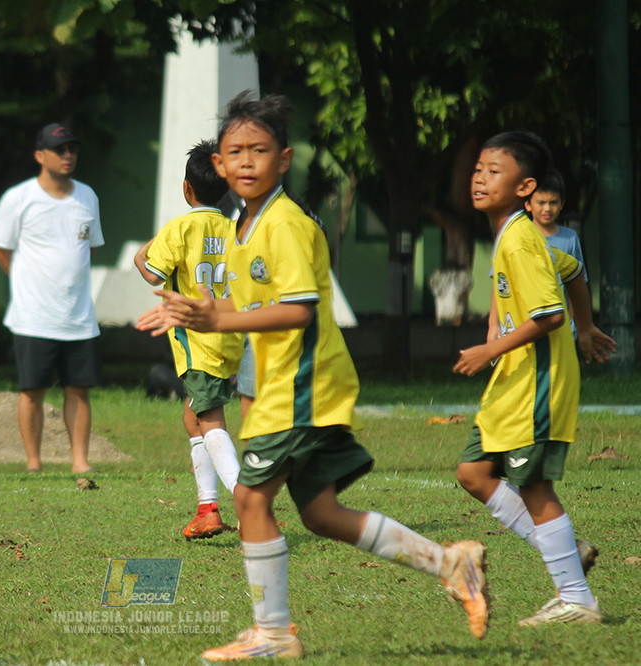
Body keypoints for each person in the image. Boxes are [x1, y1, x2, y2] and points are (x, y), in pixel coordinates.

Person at [138, 92, 489, 660]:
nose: (247, 160)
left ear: (284, 159)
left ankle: (274, 634)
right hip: (289, 385)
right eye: (235, 152)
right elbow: (244, 306)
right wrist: (193, 310)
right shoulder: (241, 229)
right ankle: (451, 563)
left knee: (251, 500)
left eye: (260, 149)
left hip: (303, 385)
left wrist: (216, 316)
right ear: (221, 166)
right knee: (321, 513)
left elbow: (298, 310)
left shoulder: (284, 225)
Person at [453, 131, 614, 626]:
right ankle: (570, 548)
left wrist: (489, 349)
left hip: (536, 382)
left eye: (494, 171)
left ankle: (577, 599)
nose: (480, 177)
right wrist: (585, 325)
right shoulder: (516, 234)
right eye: (478, 168)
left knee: (535, 486)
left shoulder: (521, 240)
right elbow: (572, 272)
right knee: (474, 474)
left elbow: (547, 316)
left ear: (524, 186)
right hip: (513, 381)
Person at [134, 140, 243, 539]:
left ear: (186, 189)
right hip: (231, 340)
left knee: (210, 421)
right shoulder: (235, 230)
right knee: (191, 416)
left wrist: (141, 253)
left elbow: (151, 271)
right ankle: (207, 508)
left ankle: (247, 503)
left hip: (199, 343)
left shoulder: (181, 227)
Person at [0, 123, 104, 475]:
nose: (67, 155)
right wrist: (26, 281)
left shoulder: (87, 196)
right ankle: (34, 462)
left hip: (79, 316)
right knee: (32, 390)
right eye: (60, 149)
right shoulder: (18, 198)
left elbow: (90, 250)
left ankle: (80, 462)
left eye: (72, 149)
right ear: (40, 156)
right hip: (33, 316)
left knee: (78, 390)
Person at [523, 169, 587, 336]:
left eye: (553, 202)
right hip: (524, 326)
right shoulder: (520, 236)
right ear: (528, 204)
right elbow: (501, 285)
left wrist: (574, 325)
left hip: (561, 328)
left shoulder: (570, 238)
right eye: (541, 202)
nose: (547, 209)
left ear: (562, 204)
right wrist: (494, 325)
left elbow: (576, 285)